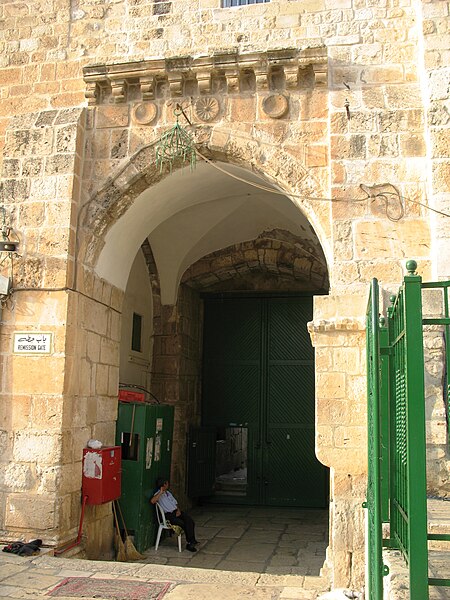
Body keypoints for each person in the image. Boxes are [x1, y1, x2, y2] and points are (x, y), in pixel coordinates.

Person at [151, 477, 199, 552]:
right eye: (167, 483)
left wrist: (178, 510)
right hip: (169, 515)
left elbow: (175, 503)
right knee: (182, 523)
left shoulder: (168, 493)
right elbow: (152, 501)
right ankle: (190, 543)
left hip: (176, 512)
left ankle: (192, 541)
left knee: (189, 521)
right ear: (164, 485)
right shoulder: (157, 494)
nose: (168, 485)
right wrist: (160, 492)